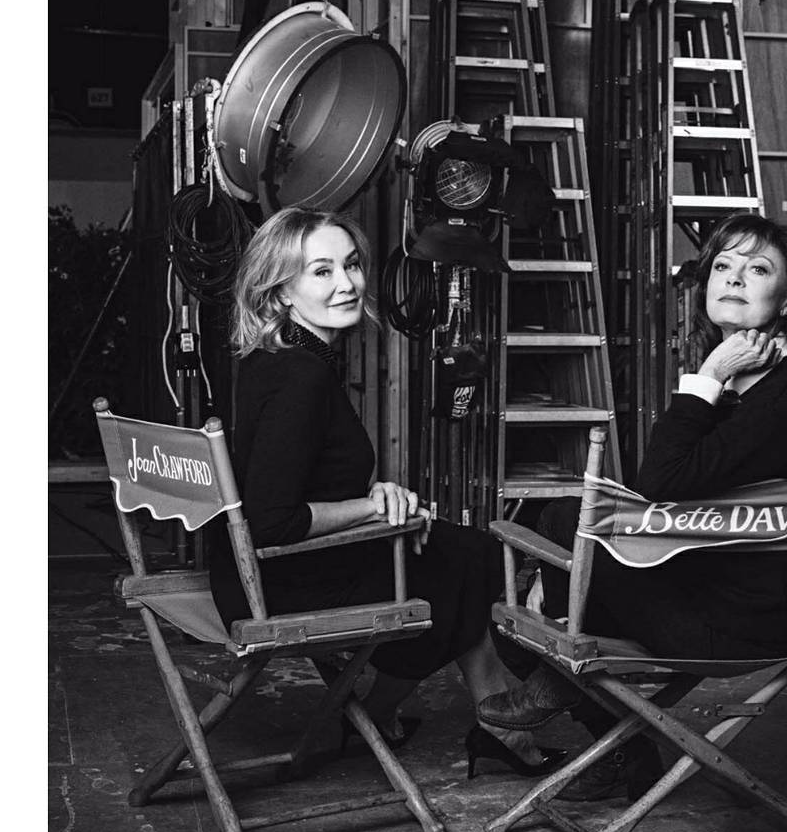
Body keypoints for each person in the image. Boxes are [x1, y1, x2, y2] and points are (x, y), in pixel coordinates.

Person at [478, 213, 787, 799]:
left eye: (758, 269)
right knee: (551, 547)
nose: (734, 278)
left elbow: (661, 482)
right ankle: (618, 745)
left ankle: (571, 691)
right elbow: (684, 494)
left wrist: (708, 374)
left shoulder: (783, 397)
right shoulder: (765, 383)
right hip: (725, 589)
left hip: (740, 625)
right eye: (722, 265)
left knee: (552, 553)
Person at [209, 206, 562, 779]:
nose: (347, 283)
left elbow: (296, 472)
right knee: (463, 564)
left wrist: (376, 491)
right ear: (281, 291)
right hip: (276, 580)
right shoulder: (302, 376)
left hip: (251, 569)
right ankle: (388, 715)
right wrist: (372, 506)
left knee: (462, 551)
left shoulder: (278, 358)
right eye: (321, 271)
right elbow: (271, 519)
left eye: (351, 265)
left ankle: (491, 722)